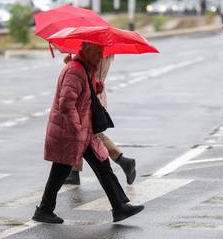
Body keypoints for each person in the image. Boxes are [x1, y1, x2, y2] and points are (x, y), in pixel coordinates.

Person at [32, 42, 144, 224]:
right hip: (72, 131)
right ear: (87, 51)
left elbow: (83, 97)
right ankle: (44, 210)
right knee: (60, 170)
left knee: (102, 165)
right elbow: (66, 104)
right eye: (98, 51)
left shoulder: (85, 69)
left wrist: (96, 87)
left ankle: (120, 206)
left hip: (84, 131)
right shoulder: (75, 71)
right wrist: (76, 129)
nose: (101, 55)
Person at [63, 55, 137, 186]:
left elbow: (84, 73)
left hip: (90, 96)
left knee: (89, 134)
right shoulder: (105, 51)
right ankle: (74, 172)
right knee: (78, 133)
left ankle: (123, 160)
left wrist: (71, 64)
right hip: (95, 94)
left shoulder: (94, 52)